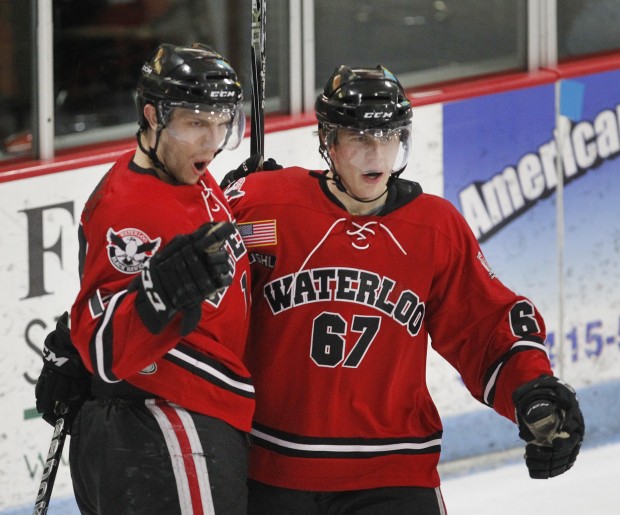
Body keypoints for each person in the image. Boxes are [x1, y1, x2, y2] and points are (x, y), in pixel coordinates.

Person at [222, 65, 585, 514]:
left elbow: (483, 326)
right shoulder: (266, 208)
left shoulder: (433, 227)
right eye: (359, 139)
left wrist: (534, 388)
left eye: (389, 136)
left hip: (393, 471)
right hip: (274, 471)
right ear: (329, 142)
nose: (376, 154)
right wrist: (223, 208)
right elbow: (206, 287)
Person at [34, 43, 255, 514]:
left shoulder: (183, 173)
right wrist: (157, 295)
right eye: (197, 123)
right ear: (154, 116)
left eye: (222, 122)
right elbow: (108, 349)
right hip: (161, 427)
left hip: (183, 425)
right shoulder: (129, 211)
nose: (212, 141)